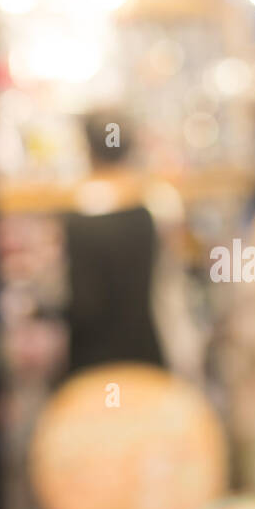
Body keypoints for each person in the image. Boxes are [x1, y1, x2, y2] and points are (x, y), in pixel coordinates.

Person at [60, 111, 167, 377]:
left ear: (88, 149)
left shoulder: (76, 213)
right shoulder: (155, 206)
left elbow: (81, 304)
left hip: (90, 363)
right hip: (146, 355)